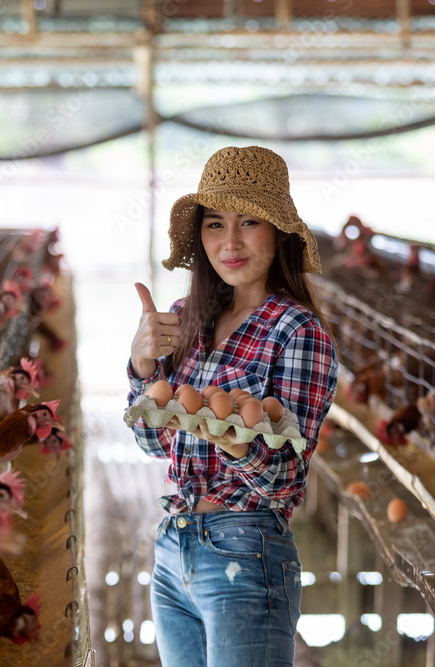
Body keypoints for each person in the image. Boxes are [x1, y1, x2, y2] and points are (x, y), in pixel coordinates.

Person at [127, 146, 338, 667]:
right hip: (174, 547)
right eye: (216, 223)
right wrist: (138, 365)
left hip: (247, 549)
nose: (231, 242)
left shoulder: (298, 331)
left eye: (249, 223)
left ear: (281, 233)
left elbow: (285, 481)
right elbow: (154, 441)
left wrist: (237, 444)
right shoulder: (183, 318)